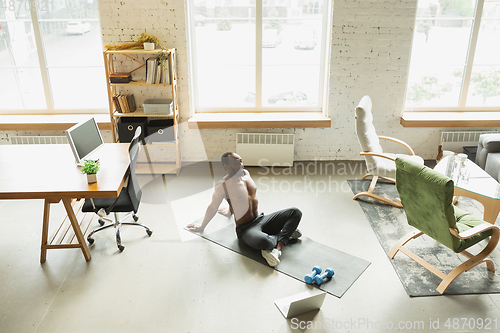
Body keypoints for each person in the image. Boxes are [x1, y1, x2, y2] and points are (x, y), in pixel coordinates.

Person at [187, 152, 302, 267]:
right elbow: (213, 207)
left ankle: (278, 244)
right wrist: (201, 226)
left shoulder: (246, 174)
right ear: (226, 167)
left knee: (295, 212)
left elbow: (242, 199)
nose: (241, 165)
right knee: (264, 242)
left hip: (261, 219)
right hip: (246, 229)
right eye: (237, 163)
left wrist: (229, 211)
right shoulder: (223, 186)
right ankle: (284, 236)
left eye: (241, 161)